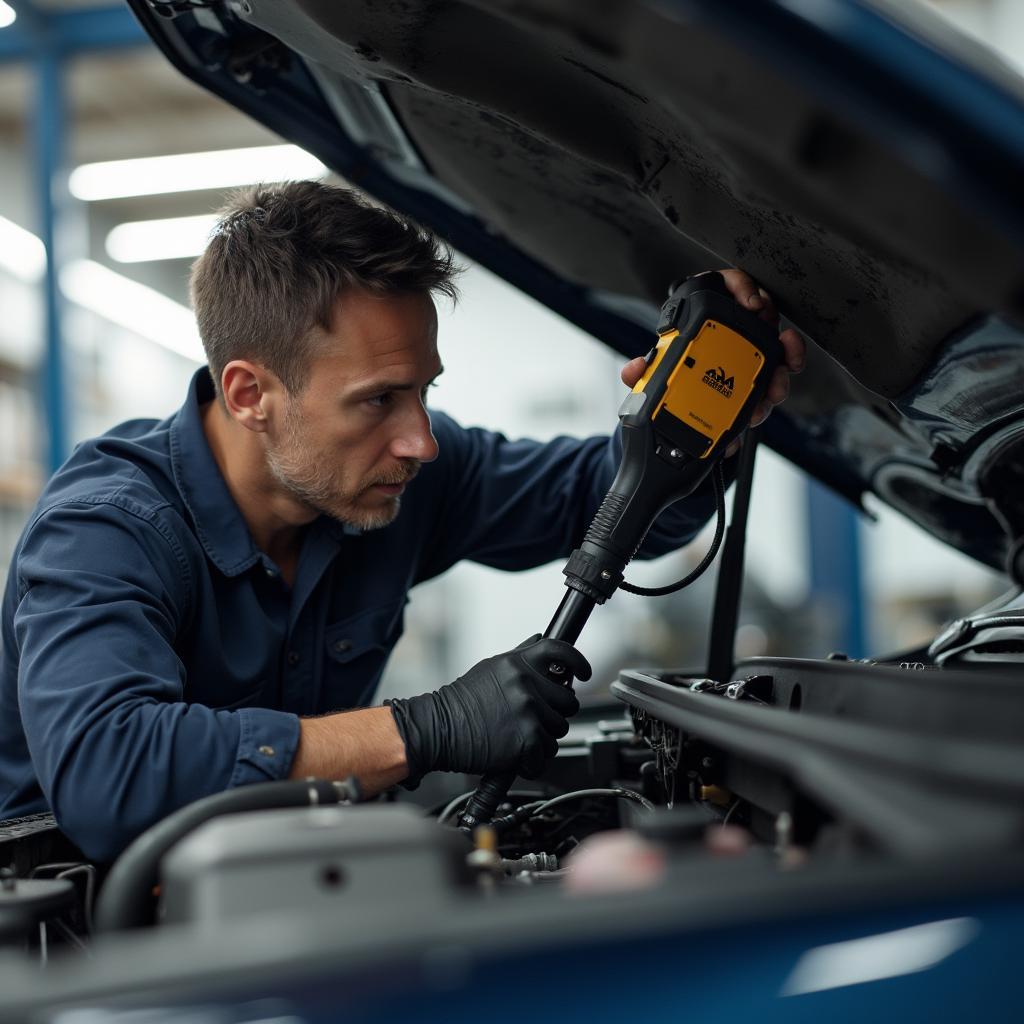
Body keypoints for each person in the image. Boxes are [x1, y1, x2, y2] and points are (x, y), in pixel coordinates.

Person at [0, 181, 803, 862]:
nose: (419, 440)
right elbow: (111, 777)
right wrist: (422, 730)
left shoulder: (401, 473)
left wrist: (691, 428)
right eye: (379, 399)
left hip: (282, 884)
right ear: (250, 394)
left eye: (425, 392)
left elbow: (604, 501)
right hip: (78, 944)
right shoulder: (106, 528)